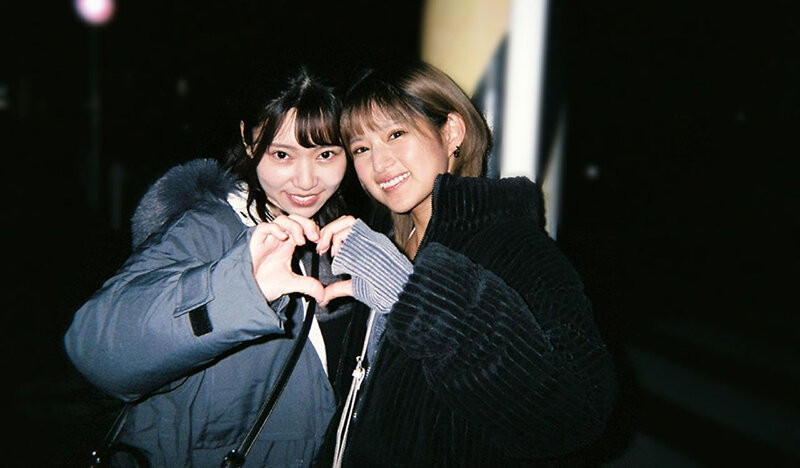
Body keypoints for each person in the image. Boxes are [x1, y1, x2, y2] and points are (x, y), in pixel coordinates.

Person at [311, 61, 617, 467]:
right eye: (361, 149)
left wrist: (414, 296)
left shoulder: (516, 247)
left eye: (396, 134)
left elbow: (575, 414)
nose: (378, 164)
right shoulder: (383, 242)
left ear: (452, 132)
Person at [64, 66, 370, 467]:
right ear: (247, 140)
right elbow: (96, 349)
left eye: (326, 154)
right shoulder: (208, 228)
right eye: (282, 154)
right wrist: (239, 289)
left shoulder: (347, 238)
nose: (306, 179)